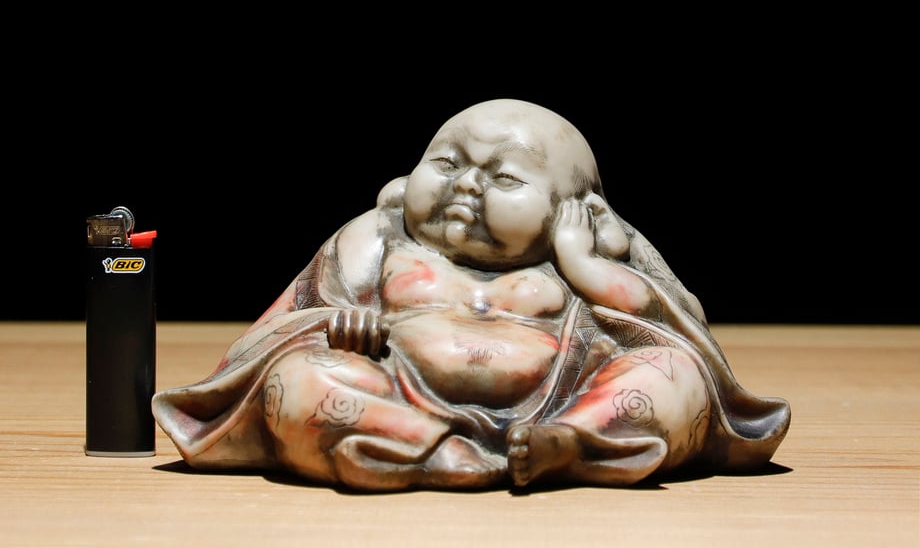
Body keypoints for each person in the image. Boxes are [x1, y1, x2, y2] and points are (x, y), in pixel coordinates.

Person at [152, 99, 790, 491]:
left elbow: (677, 325)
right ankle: (433, 449)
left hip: (555, 399)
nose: (466, 186)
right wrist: (338, 326)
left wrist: (583, 264)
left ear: (576, 210)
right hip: (396, 391)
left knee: (673, 373)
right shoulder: (375, 239)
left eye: (504, 178)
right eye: (446, 163)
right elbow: (275, 331)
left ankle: (572, 442)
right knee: (298, 379)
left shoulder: (587, 254)